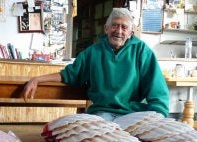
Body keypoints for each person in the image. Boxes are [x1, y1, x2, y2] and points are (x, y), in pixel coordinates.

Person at [22, 8, 169, 121]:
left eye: (124, 27)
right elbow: (70, 74)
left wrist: (159, 116)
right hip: (102, 113)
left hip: (133, 113)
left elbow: (156, 88)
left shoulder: (142, 51)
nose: (118, 31)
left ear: (130, 33)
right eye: (114, 26)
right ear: (106, 28)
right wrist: (37, 79)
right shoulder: (92, 52)